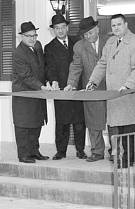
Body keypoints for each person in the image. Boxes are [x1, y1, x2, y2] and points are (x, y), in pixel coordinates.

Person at [87, 14, 135, 168]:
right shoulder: (111, 42)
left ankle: (129, 159)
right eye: (113, 26)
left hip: (129, 95)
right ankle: (119, 157)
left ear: (126, 25)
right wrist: (93, 81)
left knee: (130, 129)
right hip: (114, 95)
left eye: (119, 24)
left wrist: (127, 86)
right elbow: (102, 63)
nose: (116, 28)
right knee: (115, 128)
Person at [65, 16, 110, 162]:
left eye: (90, 33)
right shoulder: (79, 46)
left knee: (114, 120)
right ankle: (97, 151)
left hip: (111, 87)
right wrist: (71, 83)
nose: (87, 36)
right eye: (85, 34)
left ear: (97, 29)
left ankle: (116, 150)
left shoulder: (110, 42)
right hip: (91, 89)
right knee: (93, 121)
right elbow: (76, 66)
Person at [44, 14, 87, 160]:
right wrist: (54, 80)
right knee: (62, 121)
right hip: (61, 89)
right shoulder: (49, 47)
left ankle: (80, 150)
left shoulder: (78, 42)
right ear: (53, 30)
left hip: (78, 87)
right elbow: (49, 68)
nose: (61, 31)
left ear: (67, 27)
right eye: (57, 28)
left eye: (63, 27)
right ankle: (61, 151)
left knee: (80, 121)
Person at [12, 22, 51, 163]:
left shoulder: (38, 46)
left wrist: (49, 82)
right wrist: (41, 86)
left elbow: (43, 67)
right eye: (28, 36)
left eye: (34, 35)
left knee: (36, 122)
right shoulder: (18, 53)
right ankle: (23, 154)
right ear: (21, 37)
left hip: (38, 93)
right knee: (23, 125)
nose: (32, 39)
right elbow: (26, 76)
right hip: (24, 94)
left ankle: (34, 151)